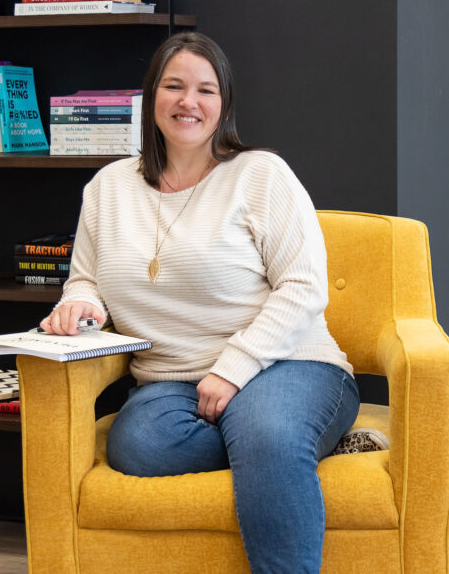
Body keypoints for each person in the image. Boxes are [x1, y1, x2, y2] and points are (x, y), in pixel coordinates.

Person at [38, 32, 361, 573]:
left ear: (223, 104)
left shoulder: (260, 175)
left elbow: (304, 286)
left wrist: (234, 370)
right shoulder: (107, 187)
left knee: (268, 432)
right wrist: (80, 306)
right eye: (175, 86)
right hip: (172, 380)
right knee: (138, 445)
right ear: (152, 97)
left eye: (205, 90)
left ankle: (283, 440)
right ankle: (297, 446)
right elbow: (85, 279)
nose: (190, 101)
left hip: (287, 362)